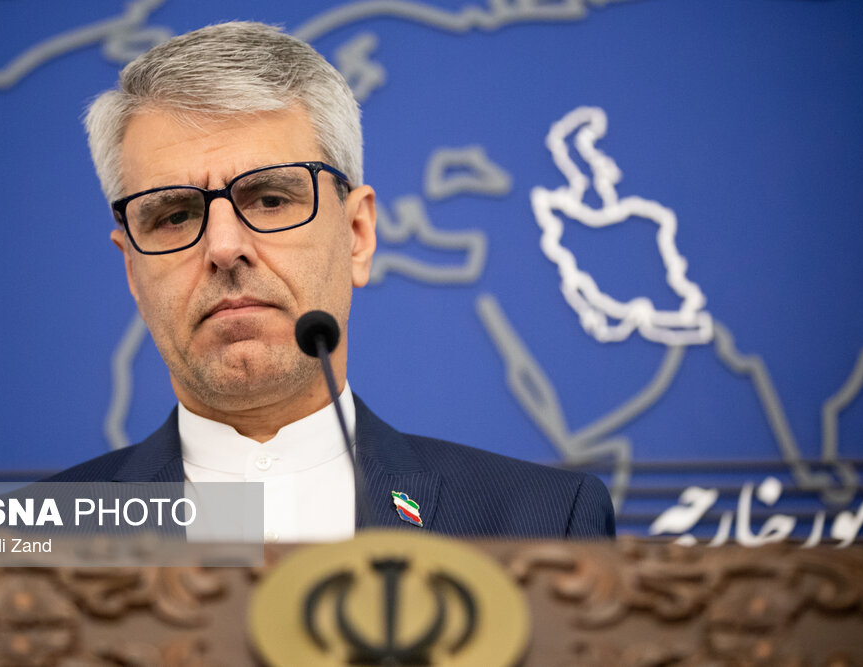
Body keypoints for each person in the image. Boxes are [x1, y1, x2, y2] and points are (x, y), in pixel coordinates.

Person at [54, 21, 614, 542]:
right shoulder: (34, 540)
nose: (223, 248)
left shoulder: (542, 520)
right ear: (132, 270)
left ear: (357, 235)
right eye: (175, 215)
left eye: (270, 199)